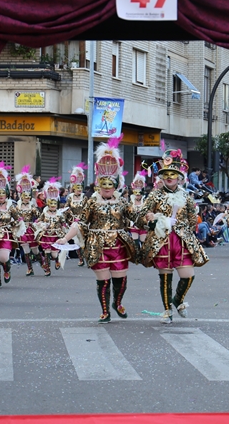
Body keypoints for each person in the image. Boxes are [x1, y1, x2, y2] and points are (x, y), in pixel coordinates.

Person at [57, 137, 138, 323]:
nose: (107, 188)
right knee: (103, 281)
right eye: (104, 184)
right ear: (98, 185)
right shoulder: (91, 201)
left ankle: (117, 303)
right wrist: (65, 238)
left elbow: (136, 216)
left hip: (119, 244)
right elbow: (79, 222)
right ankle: (105, 311)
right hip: (98, 245)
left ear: (116, 184)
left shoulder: (123, 201)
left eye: (111, 184)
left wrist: (151, 220)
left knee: (119, 280)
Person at [141, 146, 209, 324]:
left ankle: (177, 300)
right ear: (161, 177)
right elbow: (141, 216)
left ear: (179, 177)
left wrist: (187, 228)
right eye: (166, 174)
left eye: (173, 174)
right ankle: (167, 311)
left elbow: (192, 219)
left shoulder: (186, 196)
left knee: (188, 276)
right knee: (165, 278)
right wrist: (156, 219)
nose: (169, 177)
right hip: (161, 240)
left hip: (181, 241)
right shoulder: (154, 195)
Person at [34, 177, 70, 274]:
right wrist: (40, 224)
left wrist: (67, 228)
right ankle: (47, 269)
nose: (53, 205)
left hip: (55, 235)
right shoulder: (44, 212)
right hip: (46, 235)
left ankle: (56, 259)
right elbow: (39, 220)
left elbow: (63, 222)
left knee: (54, 254)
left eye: (54, 204)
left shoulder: (59, 213)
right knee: (47, 252)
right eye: (51, 204)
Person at [14, 165, 44, 276]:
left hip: (31, 228)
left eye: (27, 195)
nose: (26, 197)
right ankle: (29, 268)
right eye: (24, 195)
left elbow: (39, 216)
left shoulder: (32, 205)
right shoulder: (17, 206)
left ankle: (42, 263)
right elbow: (15, 216)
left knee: (35, 250)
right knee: (25, 248)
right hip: (22, 229)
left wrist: (38, 221)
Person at [65, 163, 88, 266]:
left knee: (83, 240)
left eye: (80, 187)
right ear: (73, 188)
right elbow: (66, 208)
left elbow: (87, 209)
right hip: (73, 221)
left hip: (83, 221)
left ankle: (86, 256)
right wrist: (65, 217)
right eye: (77, 187)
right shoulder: (70, 197)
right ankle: (80, 258)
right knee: (76, 240)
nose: (79, 189)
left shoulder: (85, 197)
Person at [128, 170, 149, 249]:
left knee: (143, 243)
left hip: (143, 225)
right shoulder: (131, 200)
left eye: (139, 194)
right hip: (134, 225)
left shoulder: (145, 200)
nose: (138, 195)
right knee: (135, 243)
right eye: (136, 193)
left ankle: (143, 258)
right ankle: (137, 257)